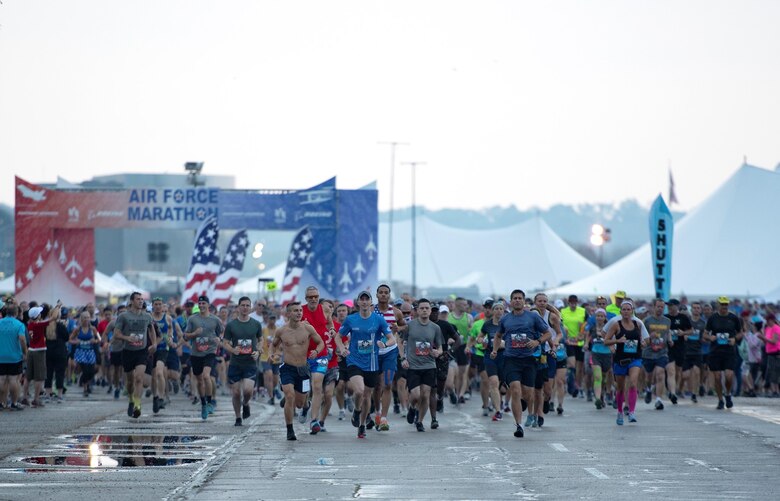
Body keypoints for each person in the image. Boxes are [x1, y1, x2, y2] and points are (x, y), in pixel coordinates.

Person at [490, 289, 553, 438]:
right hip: (511, 359)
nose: (517, 300)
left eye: (520, 298)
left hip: (529, 360)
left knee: (528, 393)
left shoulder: (532, 317)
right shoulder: (505, 319)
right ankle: (518, 425)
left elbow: (548, 333)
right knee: (515, 390)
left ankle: (525, 402)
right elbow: (498, 336)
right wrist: (494, 350)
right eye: (515, 298)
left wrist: (537, 341)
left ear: (524, 301)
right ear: (510, 302)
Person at [335, 291, 392, 439]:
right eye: (362, 299)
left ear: (371, 303)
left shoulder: (379, 320)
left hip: (372, 363)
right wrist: (342, 349)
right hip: (354, 360)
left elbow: (391, 339)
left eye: (367, 299)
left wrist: (384, 343)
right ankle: (357, 410)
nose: (365, 302)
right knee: (359, 391)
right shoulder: (351, 319)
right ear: (358, 303)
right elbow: (338, 337)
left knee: (367, 396)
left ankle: (361, 425)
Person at [268, 302, 324, 441]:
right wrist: (271, 354)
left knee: (299, 403)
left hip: (303, 369)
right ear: (288, 314)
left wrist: (316, 351)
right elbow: (273, 345)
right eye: (295, 311)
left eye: (300, 310)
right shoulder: (281, 331)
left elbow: (321, 342)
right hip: (287, 368)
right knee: (289, 396)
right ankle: (290, 430)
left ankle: (306, 406)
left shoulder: (307, 328)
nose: (299, 313)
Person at [399, 298, 443, 432]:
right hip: (413, 366)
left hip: (429, 365)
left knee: (425, 395)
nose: (424, 310)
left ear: (430, 311)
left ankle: (420, 421)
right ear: (417, 311)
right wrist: (403, 358)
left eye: (427, 308)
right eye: (422, 308)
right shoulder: (410, 325)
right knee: (416, 395)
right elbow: (400, 341)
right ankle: (412, 408)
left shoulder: (435, 328)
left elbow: (440, 348)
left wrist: (438, 352)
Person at [113, 292, 157, 418]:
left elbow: (151, 330)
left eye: (142, 299)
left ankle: (138, 405)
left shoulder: (147, 316)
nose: (141, 301)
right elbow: (116, 334)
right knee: (130, 381)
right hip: (127, 351)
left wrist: (154, 344)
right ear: (131, 301)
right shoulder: (123, 316)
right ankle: (131, 400)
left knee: (139, 378)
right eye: (138, 299)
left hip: (142, 351)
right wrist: (127, 338)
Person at [222, 296, 263, 426]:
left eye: (247, 305)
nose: (245, 308)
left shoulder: (256, 324)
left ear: (250, 307)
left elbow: (261, 340)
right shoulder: (231, 325)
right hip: (235, 363)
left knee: (247, 391)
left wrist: (258, 351)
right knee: (235, 392)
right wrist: (232, 350)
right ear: (238, 307)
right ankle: (238, 417)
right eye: (243, 305)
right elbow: (225, 343)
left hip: (250, 363)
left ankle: (245, 404)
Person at [299, 286, 334, 435]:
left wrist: (332, 330)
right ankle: (305, 405)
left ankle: (314, 421)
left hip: (321, 354)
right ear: (306, 298)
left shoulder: (325, 310)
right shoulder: (299, 311)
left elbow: (330, 324)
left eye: (316, 296)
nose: (313, 299)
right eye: (310, 297)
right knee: (304, 390)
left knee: (317, 386)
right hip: (302, 355)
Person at [372, 284, 407, 431]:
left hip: (390, 352)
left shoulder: (396, 312)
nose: (384, 295)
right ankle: (377, 412)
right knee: (376, 386)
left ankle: (384, 418)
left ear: (389, 295)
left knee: (387, 384)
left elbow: (405, 326)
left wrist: (397, 329)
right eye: (381, 292)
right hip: (373, 352)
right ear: (377, 294)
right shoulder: (371, 311)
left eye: (386, 293)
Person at [604, 300, 645, 425]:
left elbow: (645, 339)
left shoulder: (638, 324)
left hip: (635, 358)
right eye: (624, 309)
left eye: (628, 309)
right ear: (620, 311)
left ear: (632, 311)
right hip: (620, 359)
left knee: (633, 383)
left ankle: (631, 412)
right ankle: (620, 411)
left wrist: (644, 342)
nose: (626, 312)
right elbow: (606, 340)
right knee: (620, 388)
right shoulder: (616, 325)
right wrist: (618, 341)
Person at [184, 295, 223, 420]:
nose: (201, 306)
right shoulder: (192, 319)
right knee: (199, 380)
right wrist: (194, 334)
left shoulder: (215, 320)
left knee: (206, 376)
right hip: (196, 353)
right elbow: (185, 336)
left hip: (210, 352)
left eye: (203, 304)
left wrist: (219, 339)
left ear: (208, 305)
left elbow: (221, 332)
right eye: (199, 304)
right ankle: (203, 403)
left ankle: (210, 401)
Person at [704, 296, 743, 409]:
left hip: (729, 351)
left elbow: (741, 333)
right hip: (715, 351)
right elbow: (705, 334)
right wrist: (710, 337)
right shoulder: (713, 318)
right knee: (717, 377)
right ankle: (720, 399)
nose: (724, 307)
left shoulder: (733, 318)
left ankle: (728, 394)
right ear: (718, 305)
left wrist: (734, 339)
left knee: (729, 376)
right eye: (722, 304)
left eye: (726, 304)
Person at [24, 303, 61, 407]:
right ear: (37, 316)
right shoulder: (39, 325)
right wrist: (57, 307)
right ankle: (36, 399)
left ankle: (24, 398)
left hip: (31, 350)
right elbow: (53, 318)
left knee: (28, 376)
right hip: (39, 351)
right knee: (39, 377)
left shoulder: (30, 324)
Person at [0, 304, 27, 410]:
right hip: (14, 356)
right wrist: (25, 352)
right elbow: (22, 339)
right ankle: (14, 403)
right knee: (13, 379)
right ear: (16, 313)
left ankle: (1, 403)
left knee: (1, 379)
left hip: (1, 355)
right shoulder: (19, 324)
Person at [69, 310, 101, 397]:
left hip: (90, 352)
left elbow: (99, 338)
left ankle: (83, 380)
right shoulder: (77, 329)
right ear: (81, 319)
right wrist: (76, 341)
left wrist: (94, 341)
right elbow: (70, 339)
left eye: (88, 317)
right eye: (84, 318)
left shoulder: (93, 329)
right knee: (85, 369)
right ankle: (85, 388)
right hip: (81, 352)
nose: (86, 319)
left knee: (91, 371)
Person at [665, 298, 692, 402]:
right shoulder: (665, 318)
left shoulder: (683, 317)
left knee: (678, 371)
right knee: (671, 371)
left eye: (671, 305)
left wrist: (683, 333)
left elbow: (691, 330)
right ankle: (672, 393)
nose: (669, 307)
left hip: (680, 347)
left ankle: (674, 389)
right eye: (668, 306)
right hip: (669, 347)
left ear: (677, 306)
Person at [585, 308, 612, 409]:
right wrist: (586, 344)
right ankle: (597, 399)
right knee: (597, 377)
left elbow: (613, 339)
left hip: (607, 355)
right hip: (595, 354)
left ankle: (602, 395)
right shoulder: (592, 328)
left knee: (604, 378)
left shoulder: (609, 328)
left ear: (605, 317)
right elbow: (588, 337)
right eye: (598, 316)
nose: (599, 318)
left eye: (601, 316)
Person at [682, 302, 706, 403]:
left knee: (696, 372)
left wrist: (706, 338)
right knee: (686, 375)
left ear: (700, 310)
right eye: (694, 308)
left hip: (697, 351)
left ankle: (694, 394)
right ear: (691, 310)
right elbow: (681, 333)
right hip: (686, 351)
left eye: (698, 308)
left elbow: (705, 336)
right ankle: (682, 389)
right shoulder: (687, 322)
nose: (696, 310)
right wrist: (684, 335)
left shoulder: (703, 323)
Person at [758, 313, 780, 396]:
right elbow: (767, 341)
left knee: (775, 372)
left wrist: (763, 338)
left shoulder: (776, 328)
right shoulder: (767, 328)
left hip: (776, 352)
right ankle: (773, 390)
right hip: (769, 352)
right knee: (770, 372)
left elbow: (774, 341)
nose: (767, 322)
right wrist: (763, 338)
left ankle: (776, 391)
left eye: (768, 320)